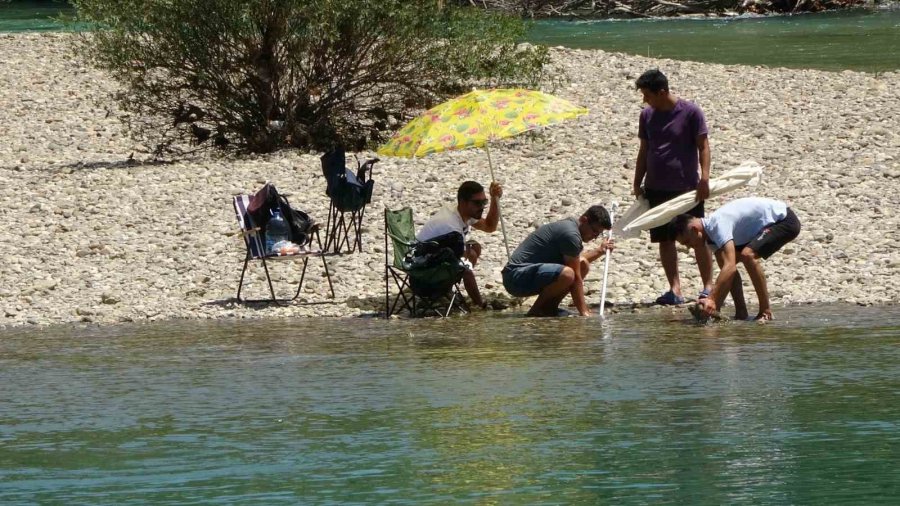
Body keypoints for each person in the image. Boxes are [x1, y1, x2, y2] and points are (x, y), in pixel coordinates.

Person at [633, 68, 713, 305]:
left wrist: (705, 178)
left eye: (647, 95)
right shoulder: (646, 116)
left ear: (662, 92)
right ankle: (675, 289)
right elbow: (644, 150)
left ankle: (708, 287)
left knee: (698, 236)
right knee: (664, 238)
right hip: (656, 187)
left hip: (687, 188)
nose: (644, 100)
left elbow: (703, 146)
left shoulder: (691, 112)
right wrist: (637, 182)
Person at [669, 197, 801, 321]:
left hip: (784, 220)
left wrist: (711, 298)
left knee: (747, 255)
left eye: (687, 241)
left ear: (695, 230)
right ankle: (741, 313)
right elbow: (728, 273)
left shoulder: (718, 225)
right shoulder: (710, 238)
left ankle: (765, 311)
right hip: (755, 230)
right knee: (726, 265)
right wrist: (714, 309)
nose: (689, 247)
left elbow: (730, 267)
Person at [502, 205, 613, 317]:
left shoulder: (572, 227)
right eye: (594, 231)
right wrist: (584, 312)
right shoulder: (571, 234)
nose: (594, 237)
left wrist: (600, 251)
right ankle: (537, 310)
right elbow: (576, 277)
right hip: (515, 277)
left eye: (598, 234)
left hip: (527, 273)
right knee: (568, 274)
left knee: (583, 264)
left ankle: (549, 308)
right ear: (584, 220)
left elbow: (576, 262)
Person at [417, 180, 502, 308]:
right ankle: (441, 292)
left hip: (429, 258)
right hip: (424, 274)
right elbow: (465, 270)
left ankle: (446, 290)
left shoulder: (461, 212)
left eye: (484, 202)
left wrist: (495, 199)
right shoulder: (451, 227)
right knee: (468, 258)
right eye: (477, 203)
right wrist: (480, 304)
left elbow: (489, 226)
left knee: (474, 247)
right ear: (463, 202)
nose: (482, 207)